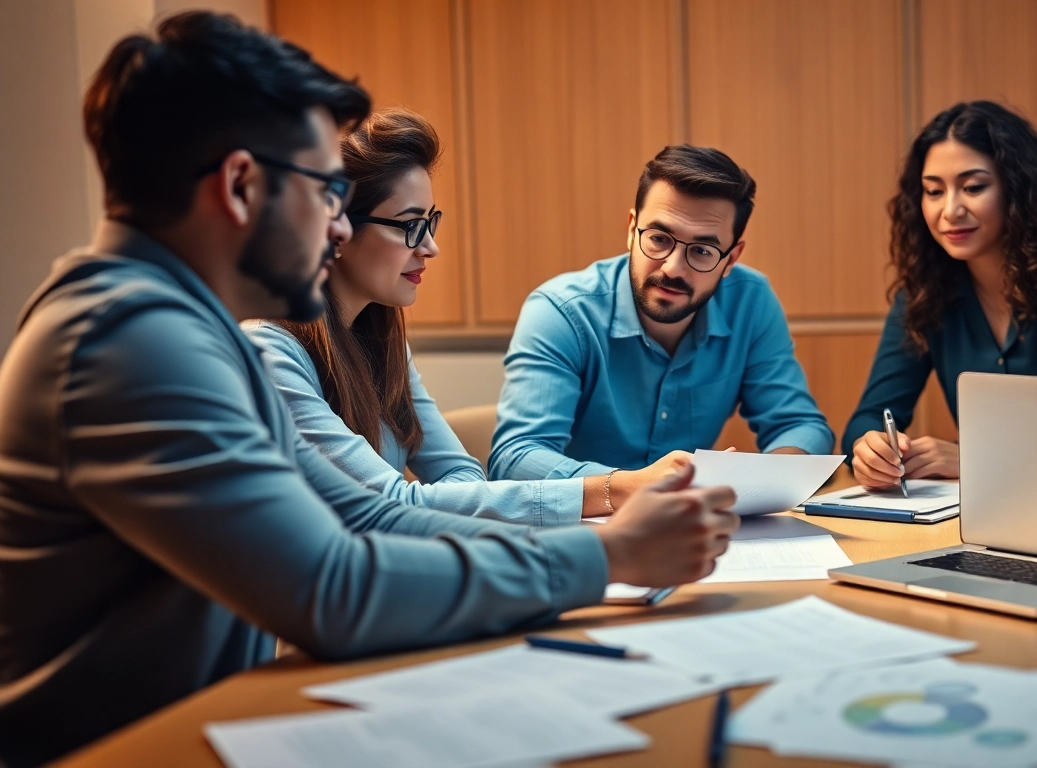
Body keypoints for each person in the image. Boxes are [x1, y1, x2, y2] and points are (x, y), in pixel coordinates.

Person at [0, 13, 737, 765]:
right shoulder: (132, 342)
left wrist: (610, 545)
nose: (341, 229)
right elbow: (335, 588)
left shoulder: (199, 332)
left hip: (210, 725)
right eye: (325, 191)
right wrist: (610, 558)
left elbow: (364, 514)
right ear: (240, 186)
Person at [247, 108, 605, 524]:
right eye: (410, 226)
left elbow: (461, 472)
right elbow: (388, 503)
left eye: (430, 222)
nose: (430, 247)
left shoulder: (382, 340)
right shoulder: (270, 352)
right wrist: (608, 492)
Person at [489, 145, 835, 508]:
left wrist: (755, 484)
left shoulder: (751, 301)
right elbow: (515, 459)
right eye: (659, 239)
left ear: (731, 259)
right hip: (586, 539)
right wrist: (631, 486)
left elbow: (801, 426)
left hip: (698, 537)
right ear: (630, 230)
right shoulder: (561, 311)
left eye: (702, 250)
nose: (672, 268)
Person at [845, 102, 1037, 489]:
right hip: (986, 509)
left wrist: (981, 459)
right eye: (932, 191)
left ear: (1018, 189)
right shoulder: (926, 289)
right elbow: (868, 418)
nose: (950, 210)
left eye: (973, 187)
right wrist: (870, 450)